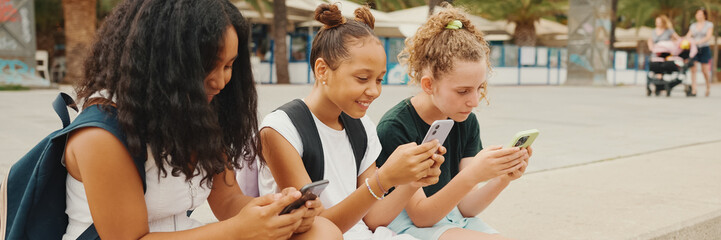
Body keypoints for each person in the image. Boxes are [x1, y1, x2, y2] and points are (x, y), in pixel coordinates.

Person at [63, 0, 340, 239]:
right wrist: (237, 232)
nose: (220, 81)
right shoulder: (101, 135)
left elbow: (229, 200)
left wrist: (279, 212)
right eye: (207, 67)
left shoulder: (197, 112)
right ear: (163, 61)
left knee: (320, 232)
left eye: (229, 66)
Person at [257, 3, 445, 240]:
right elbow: (314, 229)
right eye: (362, 78)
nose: (374, 91)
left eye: (379, 80)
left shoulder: (362, 127)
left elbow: (372, 218)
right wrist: (383, 179)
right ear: (322, 70)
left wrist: (410, 181)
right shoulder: (282, 129)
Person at [375, 4, 532, 240]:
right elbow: (421, 216)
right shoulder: (396, 127)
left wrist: (502, 178)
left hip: (452, 219)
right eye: (463, 91)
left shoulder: (466, 121)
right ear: (429, 85)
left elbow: (466, 207)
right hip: (409, 225)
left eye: (479, 88)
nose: (474, 101)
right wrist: (473, 175)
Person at [685, 8, 713, 97]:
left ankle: (708, 86)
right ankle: (694, 89)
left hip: (704, 48)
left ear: (704, 15)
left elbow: (708, 36)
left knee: (705, 70)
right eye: (697, 14)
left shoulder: (709, 25)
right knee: (693, 69)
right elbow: (688, 36)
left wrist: (699, 41)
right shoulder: (693, 26)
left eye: (701, 14)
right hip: (694, 49)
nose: (699, 16)